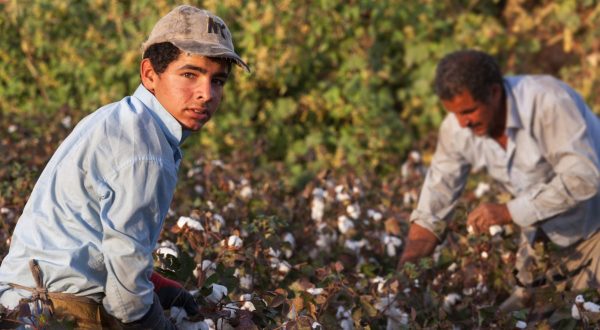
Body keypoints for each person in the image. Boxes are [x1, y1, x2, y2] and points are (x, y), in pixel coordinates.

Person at [0, 5, 249, 329]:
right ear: (149, 74)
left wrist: (158, 286)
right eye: (190, 74)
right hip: (55, 312)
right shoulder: (146, 152)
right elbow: (126, 300)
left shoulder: (119, 118)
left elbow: (96, 236)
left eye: (218, 81)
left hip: (21, 301)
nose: (205, 94)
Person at [398, 49, 600, 311]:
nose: (463, 123)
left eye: (469, 111)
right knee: (516, 318)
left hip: (595, 227)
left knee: (585, 316)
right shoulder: (456, 129)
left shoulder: (548, 101)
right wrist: (401, 283)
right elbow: (432, 210)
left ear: (494, 92)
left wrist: (508, 211)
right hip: (545, 241)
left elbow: (584, 177)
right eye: (455, 113)